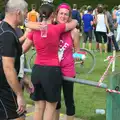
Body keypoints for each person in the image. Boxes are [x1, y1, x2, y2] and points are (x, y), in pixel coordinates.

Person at [22, 3, 78, 120]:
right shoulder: (57, 28)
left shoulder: (34, 31)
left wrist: (28, 24)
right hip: (52, 70)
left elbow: (23, 48)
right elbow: (74, 22)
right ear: (53, 15)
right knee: (50, 107)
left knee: (38, 107)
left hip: (37, 70)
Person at [0, 0, 28, 120]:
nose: (26, 16)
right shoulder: (8, 34)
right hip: (6, 89)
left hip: (5, 86)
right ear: (18, 13)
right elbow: (8, 67)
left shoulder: (4, 29)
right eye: (25, 13)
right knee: (20, 117)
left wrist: (23, 78)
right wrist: (19, 94)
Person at [54, 3, 80, 120]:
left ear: (69, 16)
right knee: (54, 100)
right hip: (53, 69)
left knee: (69, 100)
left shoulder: (74, 31)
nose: (63, 16)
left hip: (68, 70)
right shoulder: (51, 28)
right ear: (56, 14)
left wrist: (79, 57)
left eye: (66, 14)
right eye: (61, 13)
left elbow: (77, 51)